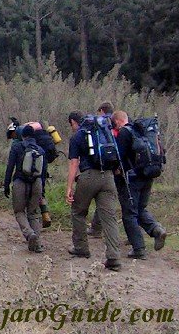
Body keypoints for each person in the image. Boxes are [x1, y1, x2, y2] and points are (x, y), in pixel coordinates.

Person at [66, 111, 121, 271]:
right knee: (109, 218)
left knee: (78, 211)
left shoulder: (77, 137)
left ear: (75, 123)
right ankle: (114, 257)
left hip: (89, 176)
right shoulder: (105, 132)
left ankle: (81, 248)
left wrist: (69, 187)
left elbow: (74, 164)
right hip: (109, 177)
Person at [111, 110, 169, 259]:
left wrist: (116, 171)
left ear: (117, 121)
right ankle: (156, 230)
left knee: (129, 213)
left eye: (113, 124)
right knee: (140, 208)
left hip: (132, 178)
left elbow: (120, 156)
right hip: (148, 175)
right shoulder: (142, 131)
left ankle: (138, 248)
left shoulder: (124, 132)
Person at [3, 124, 46, 252]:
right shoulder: (41, 150)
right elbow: (43, 173)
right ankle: (37, 244)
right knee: (33, 213)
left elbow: (10, 167)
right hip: (36, 183)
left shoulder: (17, 147)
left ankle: (29, 234)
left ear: (22, 135)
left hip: (20, 182)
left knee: (19, 211)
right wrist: (42, 191)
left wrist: (6, 185)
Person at [88, 101, 115, 238]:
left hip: (103, 167)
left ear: (101, 111)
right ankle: (96, 228)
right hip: (118, 165)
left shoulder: (101, 123)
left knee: (103, 200)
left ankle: (96, 229)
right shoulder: (115, 123)